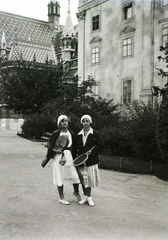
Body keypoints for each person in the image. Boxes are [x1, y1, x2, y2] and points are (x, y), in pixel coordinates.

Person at [44, 115, 81, 205]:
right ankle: (61, 197)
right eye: (62, 121)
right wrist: (55, 150)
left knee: (74, 175)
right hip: (58, 156)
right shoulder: (56, 133)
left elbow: (74, 146)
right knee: (59, 175)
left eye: (66, 121)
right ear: (59, 123)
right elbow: (50, 146)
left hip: (69, 156)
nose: (65, 122)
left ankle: (76, 192)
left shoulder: (71, 133)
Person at [74, 114, 103, 207]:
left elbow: (100, 145)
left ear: (90, 122)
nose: (85, 123)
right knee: (82, 179)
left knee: (88, 180)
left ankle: (89, 197)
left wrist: (92, 151)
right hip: (81, 161)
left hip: (90, 161)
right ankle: (85, 197)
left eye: (87, 121)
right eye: (84, 121)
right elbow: (75, 148)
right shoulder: (78, 134)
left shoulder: (94, 134)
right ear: (81, 123)